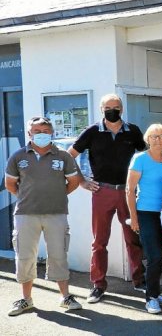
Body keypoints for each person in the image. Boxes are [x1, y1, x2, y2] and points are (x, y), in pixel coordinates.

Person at [68, 93, 146, 304]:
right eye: (108, 107)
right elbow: (69, 156)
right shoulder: (92, 131)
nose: (113, 110)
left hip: (128, 192)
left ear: (122, 109)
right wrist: (82, 181)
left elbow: (144, 156)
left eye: (117, 107)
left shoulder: (133, 130)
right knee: (99, 241)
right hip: (102, 192)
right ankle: (98, 285)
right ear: (101, 109)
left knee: (133, 238)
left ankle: (139, 280)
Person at [5, 116, 82, 316]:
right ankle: (26, 300)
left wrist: (57, 195)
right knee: (24, 256)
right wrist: (27, 197)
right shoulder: (17, 156)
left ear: (51, 133)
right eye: (36, 131)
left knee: (58, 255)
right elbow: (10, 184)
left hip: (56, 213)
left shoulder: (63, 156)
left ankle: (65, 297)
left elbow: (72, 183)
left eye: (45, 131)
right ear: (29, 133)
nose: (41, 135)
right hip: (25, 214)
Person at [126, 124, 162, 314]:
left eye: (161, 136)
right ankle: (151, 298)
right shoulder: (139, 159)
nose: (157, 140)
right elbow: (129, 190)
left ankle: (156, 291)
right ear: (148, 139)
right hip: (146, 212)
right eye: (153, 136)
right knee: (154, 256)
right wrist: (134, 218)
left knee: (161, 255)